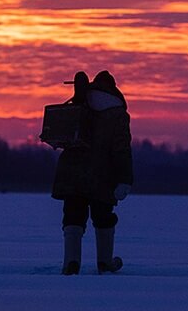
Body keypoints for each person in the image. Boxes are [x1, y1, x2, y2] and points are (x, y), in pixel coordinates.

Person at [51, 70, 134, 275]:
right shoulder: (118, 114)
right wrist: (124, 179)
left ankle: (71, 262)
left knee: (73, 216)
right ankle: (105, 262)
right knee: (103, 217)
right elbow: (121, 149)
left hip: (72, 173)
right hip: (103, 175)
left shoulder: (78, 104)